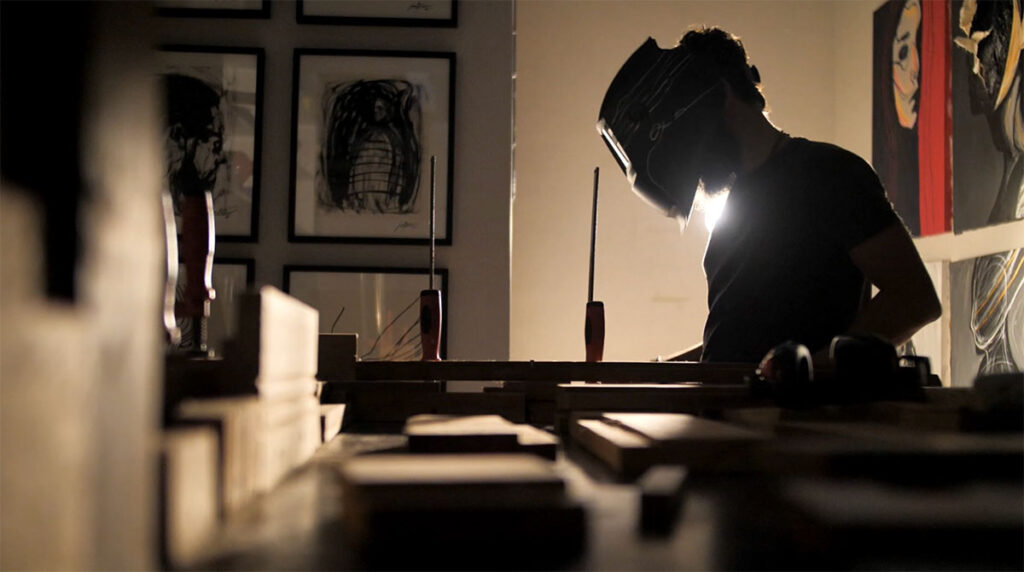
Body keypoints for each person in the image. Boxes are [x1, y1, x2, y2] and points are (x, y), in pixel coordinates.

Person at [597, 27, 942, 364]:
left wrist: (811, 373)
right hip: (734, 419)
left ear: (722, 95)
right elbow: (736, 345)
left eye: (691, 149)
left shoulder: (830, 174)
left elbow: (915, 299)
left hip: (800, 419)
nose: (698, 171)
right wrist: (657, 372)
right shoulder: (731, 215)